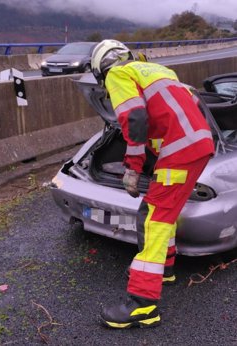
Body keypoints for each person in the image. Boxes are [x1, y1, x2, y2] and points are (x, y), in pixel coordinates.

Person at [91, 39, 215, 329]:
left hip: (180, 153)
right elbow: (191, 103)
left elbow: (134, 119)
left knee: (153, 219)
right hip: (195, 146)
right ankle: (165, 269)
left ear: (102, 69)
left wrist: (133, 168)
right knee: (165, 213)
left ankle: (142, 304)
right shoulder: (159, 71)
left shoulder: (118, 74)